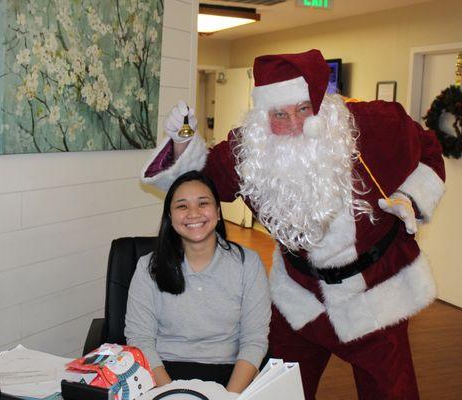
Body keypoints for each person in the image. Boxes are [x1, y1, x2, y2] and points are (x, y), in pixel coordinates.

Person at [141, 50, 446, 399]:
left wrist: (410, 197)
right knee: (278, 391)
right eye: (280, 115)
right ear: (263, 116)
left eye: (304, 109)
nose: (294, 124)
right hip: (301, 299)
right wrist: (182, 146)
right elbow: (199, 181)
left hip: (375, 298)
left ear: (321, 104)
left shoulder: (377, 125)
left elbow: (429, 150)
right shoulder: (249, 151)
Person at [124, 170, 271, 393]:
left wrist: (229, 398)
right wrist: (172, 395)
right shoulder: (148, 267)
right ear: (169, 217)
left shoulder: (248, 264)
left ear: (218, 212)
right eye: (182, 206)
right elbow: (140, 339)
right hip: (162, 373)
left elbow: (254, 340)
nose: (194, 213)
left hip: (230, 374)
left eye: (203, 203)